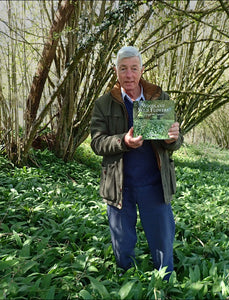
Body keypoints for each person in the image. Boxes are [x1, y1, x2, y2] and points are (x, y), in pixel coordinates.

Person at [90, 46, 183, 280]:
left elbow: (175, 142)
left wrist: (172, 138)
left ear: (141, 70)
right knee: (123, 247)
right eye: (123, 69)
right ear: (116, 71)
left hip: (155, 184)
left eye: (133, 68)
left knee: (162, 241)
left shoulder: (159, 98)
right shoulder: (103, 104)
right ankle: (127, 284)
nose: (129, 75)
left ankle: (165, 285)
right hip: (120, 186)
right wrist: (124, 141)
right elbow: (97, 143)